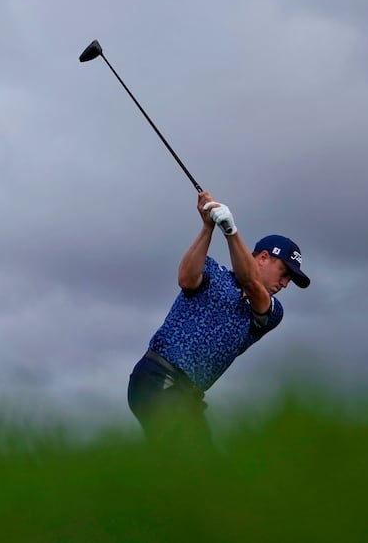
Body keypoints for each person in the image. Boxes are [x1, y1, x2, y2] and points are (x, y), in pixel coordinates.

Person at [127, 190, 309, 443]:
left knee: (203, 471)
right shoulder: (213, 270)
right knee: (186, 463)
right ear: (264, 258)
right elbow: (186, 278)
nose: (285, 283)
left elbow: (251, 283)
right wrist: (208, 227)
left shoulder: (273, 310)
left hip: (188, 396)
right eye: (284, 273)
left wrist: (231, 231)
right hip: (159, 377)